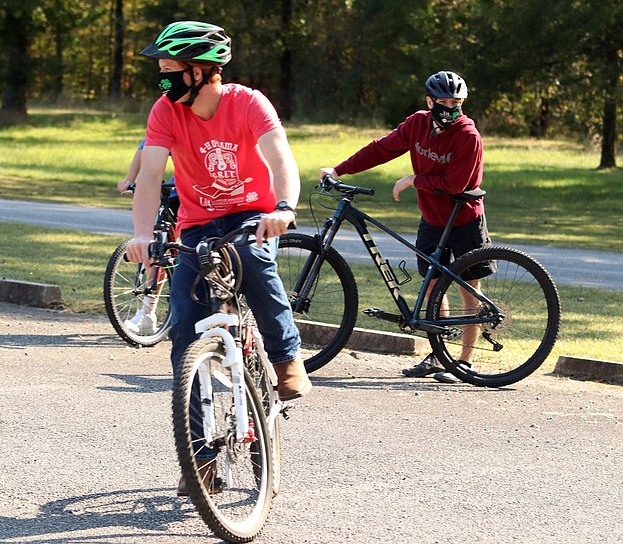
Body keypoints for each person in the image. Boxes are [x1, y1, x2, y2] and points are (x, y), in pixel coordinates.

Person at [127, 21, 312, 492]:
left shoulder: (247, 102)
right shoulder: (165, 111)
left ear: (202, 71)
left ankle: (287, 358)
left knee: (254, 263)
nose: (163, 79)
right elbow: (150, 176)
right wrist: (143, 237)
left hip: (252, 214)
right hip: (197, 223)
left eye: (171, 70)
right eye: (161, 70)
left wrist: (283, 208)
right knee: (184, 335)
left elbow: (279, 157)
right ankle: (199, 459)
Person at [320, 70, 494, 384]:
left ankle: (465, 361)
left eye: (456, 102)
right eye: (443, 101)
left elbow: (455, 183)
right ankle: (439, 354)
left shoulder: (468, 135)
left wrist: (413, 180)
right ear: (430, 101)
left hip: (464, 218)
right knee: (432, 286)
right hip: (432, 219)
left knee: (469, 291)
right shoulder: (417, 124)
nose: (450, 107)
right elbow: (381, 148)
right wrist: (339, 169)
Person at [117, 139, 178, 335]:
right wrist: (129, 179)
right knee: (160, 243)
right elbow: (144, 150)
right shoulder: (169, 121)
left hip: (205, 192)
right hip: (176, 191)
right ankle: (147, 312)